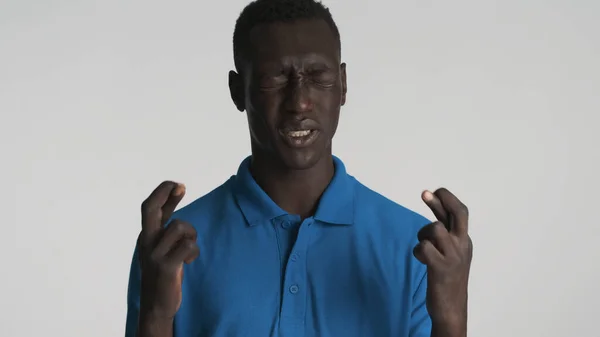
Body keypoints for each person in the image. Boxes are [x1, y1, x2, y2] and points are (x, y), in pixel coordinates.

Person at [125, 0, 473, 336]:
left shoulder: (415, 246)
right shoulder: (172, 247)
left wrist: (452, 321)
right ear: (237, 91)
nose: (300, 102)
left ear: (343, 85)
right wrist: (156, 316)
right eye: (274, 79)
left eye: (318, 76)